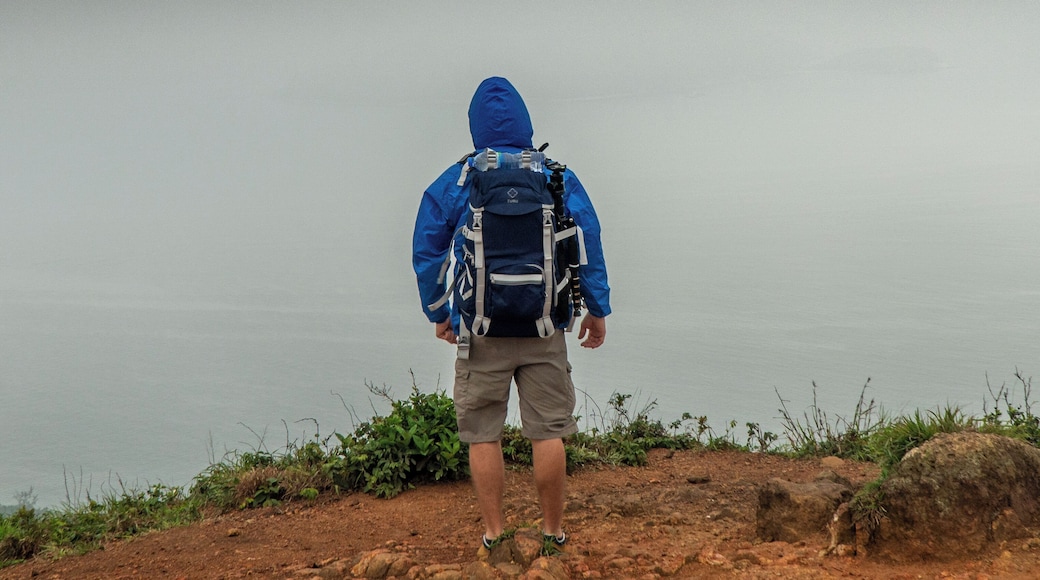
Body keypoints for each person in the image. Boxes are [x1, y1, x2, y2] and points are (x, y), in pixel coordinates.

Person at [412, 76, 611, 554]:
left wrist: (439, 312)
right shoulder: (556, 176)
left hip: (480, 330)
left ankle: (495, 536)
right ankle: (552, 534)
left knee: (484, 434)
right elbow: (587, 241)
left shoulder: (459, 179)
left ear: (476, 125)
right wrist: (597, 309)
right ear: (525, 122)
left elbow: (428, 251)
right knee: (548, 433)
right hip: (544, 326)